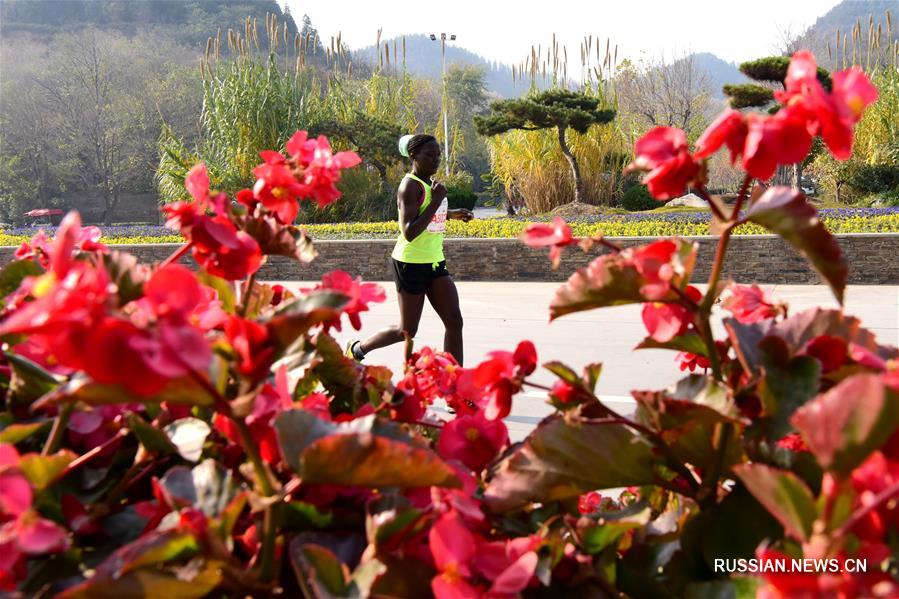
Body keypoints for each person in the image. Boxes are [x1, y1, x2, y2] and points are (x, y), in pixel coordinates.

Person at [346, 134, 474, 365]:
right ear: (414, 155)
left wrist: (451, 213)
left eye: (438, 155)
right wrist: (436, 201)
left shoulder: (429, 185)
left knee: (454, 321)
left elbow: (425, 213)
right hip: (410, 264)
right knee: (406, 330)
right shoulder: (409, 185)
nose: (435, 160)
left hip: (435, 262)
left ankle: (455, 386)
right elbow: (409, 231)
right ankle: (357, 349)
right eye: (429, 155)